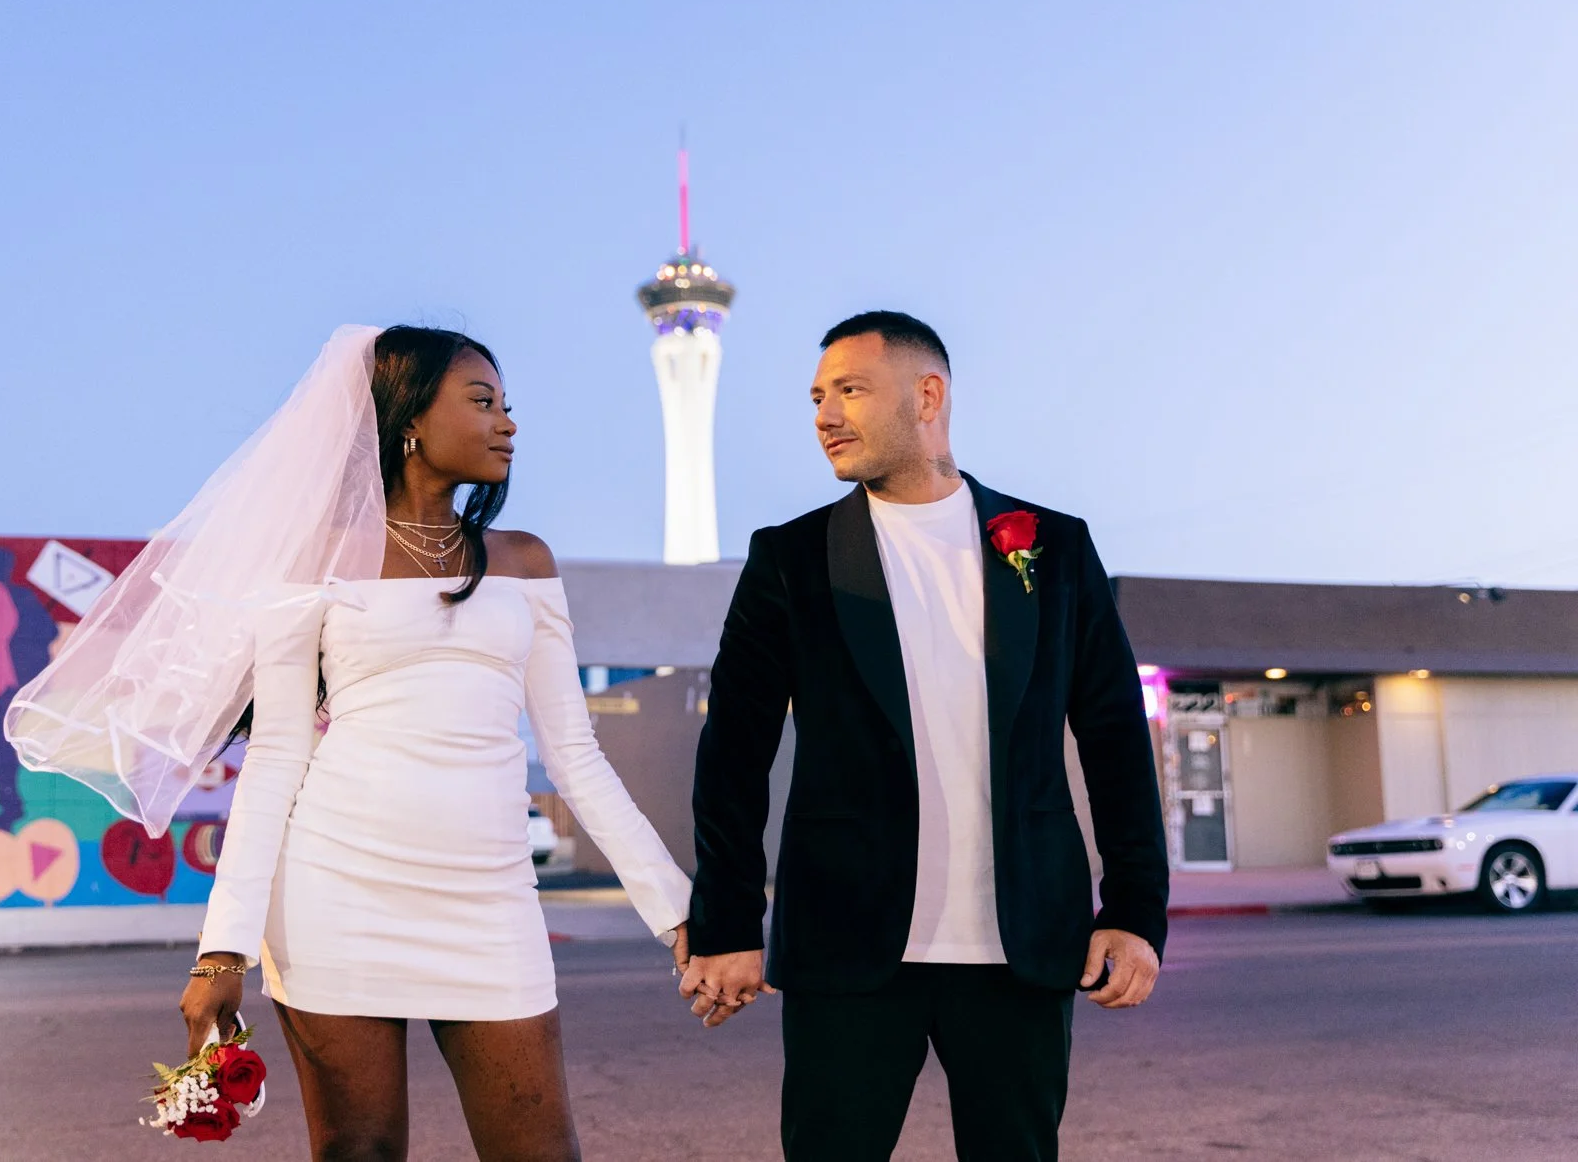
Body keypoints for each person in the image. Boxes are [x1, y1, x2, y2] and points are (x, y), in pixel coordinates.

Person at [153, 327, 691, 1161]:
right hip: (336, 894)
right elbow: (277, 757)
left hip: (491, 902)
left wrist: (677, 911)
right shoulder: (314, 564)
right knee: (359, 1151)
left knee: (541, 1152)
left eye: (507, 405)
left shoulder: (522, 561)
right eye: (482, 402)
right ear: (408, 420)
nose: (507, 423)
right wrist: (221, 946)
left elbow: (576, 756)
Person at [677, 310, 1169, 1161]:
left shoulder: (1053, 548)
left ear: (928, 395)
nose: (826, 415)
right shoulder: (789, 559)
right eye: (817, 397)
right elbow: (734, 755)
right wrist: (726, 922)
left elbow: (1116, 738)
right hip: (848, 948)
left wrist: (1133, 909)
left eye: (852, 391)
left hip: (1023, 948)